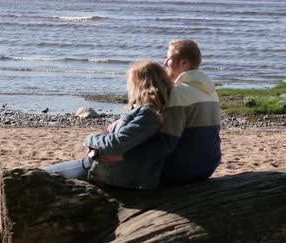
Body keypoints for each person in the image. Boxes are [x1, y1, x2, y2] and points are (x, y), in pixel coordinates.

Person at [43, 60, 173, 190]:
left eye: (130, 82)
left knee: (42, 175)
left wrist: (90, 140)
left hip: (103, 173)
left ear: (140, 84)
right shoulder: (148, 109)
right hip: (103, 167)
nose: (129, 86)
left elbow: (114, 145)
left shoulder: (148, 113)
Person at [122, 39, 221, 185]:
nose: (164, 63)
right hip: (208, 165)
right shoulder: (209, 91)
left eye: (169, 59)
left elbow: (166, 142)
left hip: (182, 170)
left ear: (184, 63)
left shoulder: (178, 94)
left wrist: (123, 156)